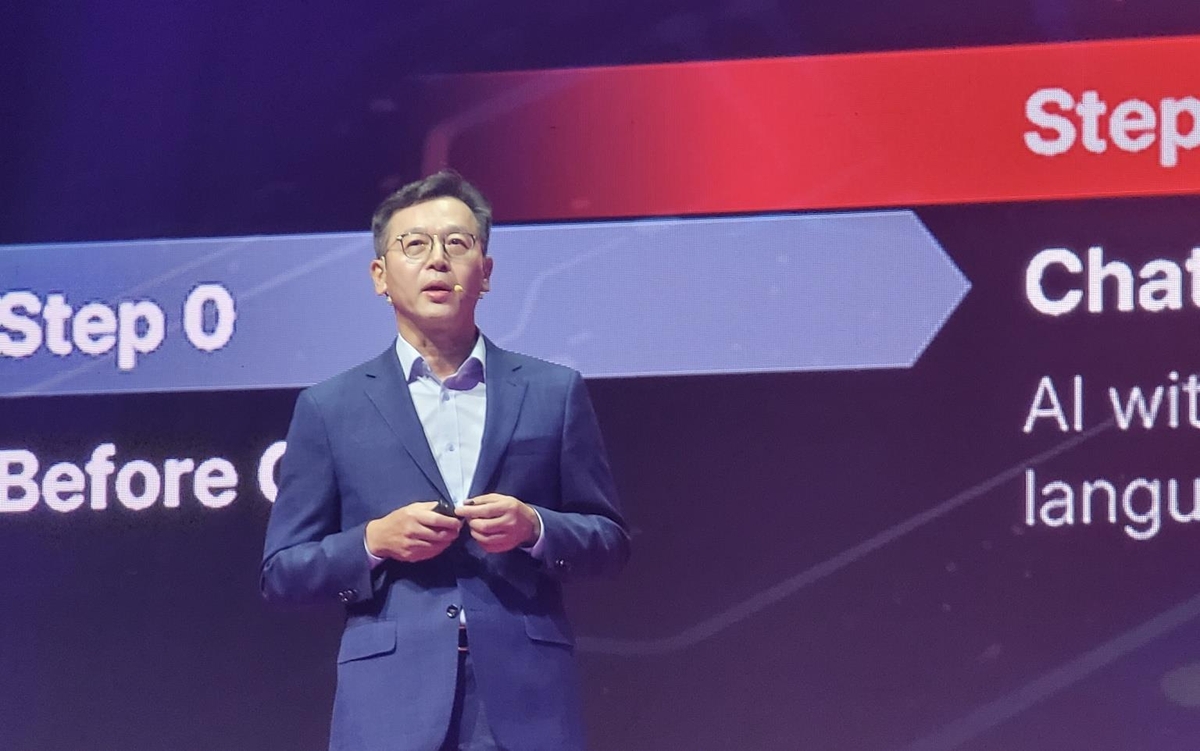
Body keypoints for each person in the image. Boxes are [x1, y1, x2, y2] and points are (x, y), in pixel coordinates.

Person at [260, 171, 631, 751]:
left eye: (457, 243)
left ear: (486, 271)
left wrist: (534, 527)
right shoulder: (330, 407)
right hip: (388, 708)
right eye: (414, 245)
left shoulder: (553, 391)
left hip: (525, 701)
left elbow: (609, 542)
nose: (437, 260)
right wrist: (374, 541)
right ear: (380, 276)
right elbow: (283, 572)